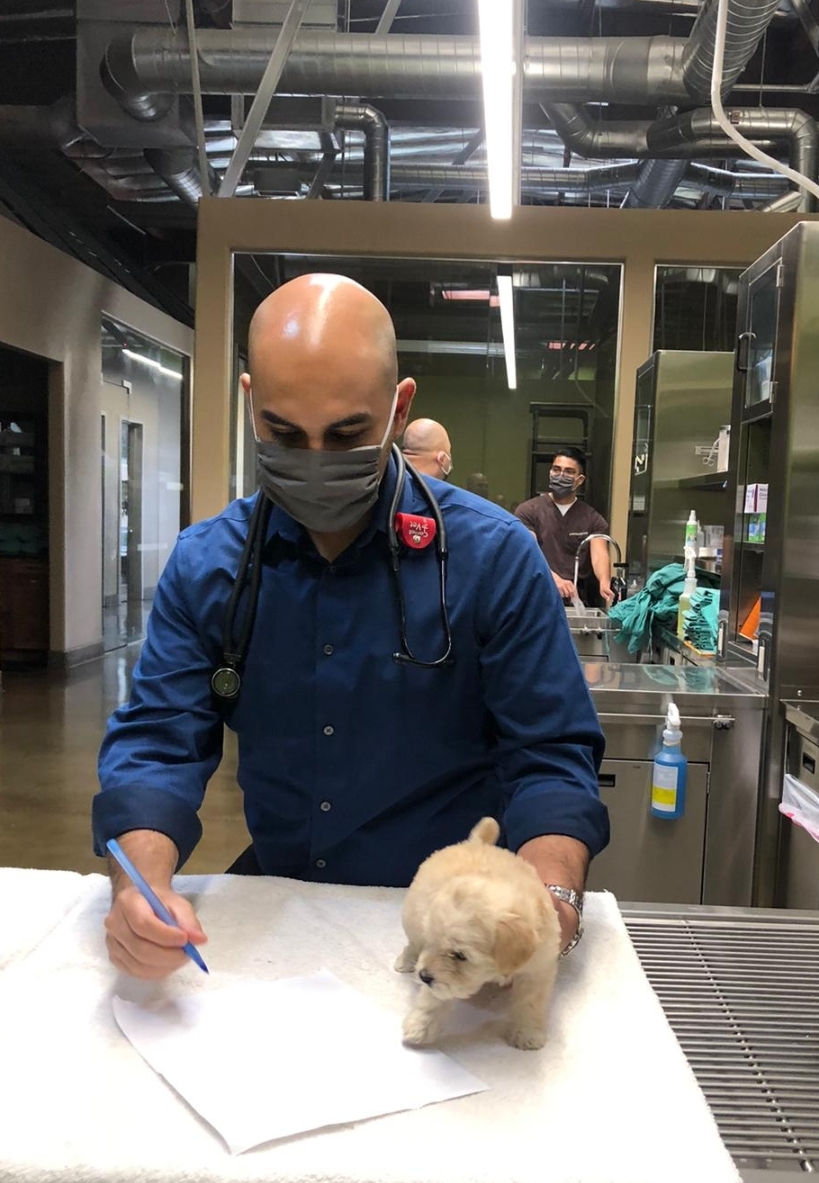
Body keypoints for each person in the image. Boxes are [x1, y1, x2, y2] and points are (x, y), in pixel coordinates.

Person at [93, 275, 609, 981]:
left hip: (449, 923)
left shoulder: (491, 558)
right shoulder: (208, 566)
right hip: (284, 905)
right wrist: (139, 888)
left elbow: (548, 756)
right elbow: (158, 746)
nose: (314, 461)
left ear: (398, 410)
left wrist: (549, 900)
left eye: (346, 434)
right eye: (282, 433)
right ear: (249, 403)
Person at [515, 448, 613, 607]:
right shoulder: (528, 511)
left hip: (573, 599)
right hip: (535, 597)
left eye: (569, 472)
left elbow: (599, 554)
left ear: (579, 480)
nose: (561, 475)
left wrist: (604, 582)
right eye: (556, 469)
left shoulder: (592, 519)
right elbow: (528, 551)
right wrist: (554, 578)